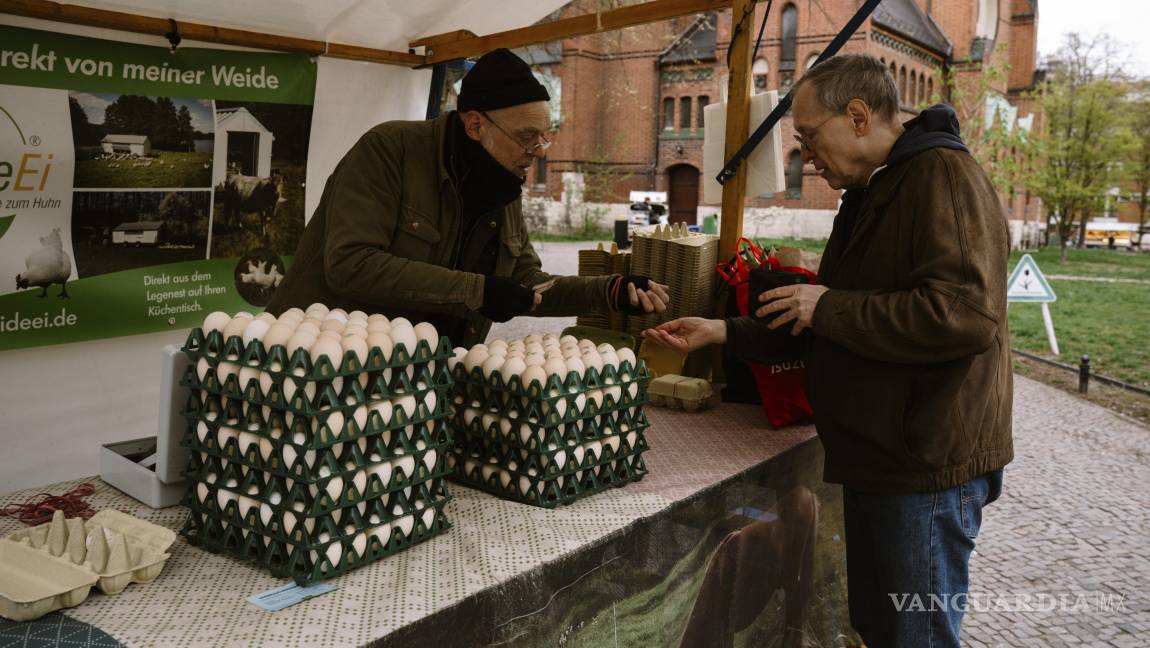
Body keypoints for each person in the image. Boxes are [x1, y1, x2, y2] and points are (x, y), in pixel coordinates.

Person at [642, 54, 1012, 648]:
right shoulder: (872, 191)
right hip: (882, 457)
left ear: (859, 115)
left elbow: (966, 316)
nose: (807, 156)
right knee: (879, 629)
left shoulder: (942, 176)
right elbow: (824, 316)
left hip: (925, 466)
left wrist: (828, 306)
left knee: (913, 635)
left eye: (812, 137)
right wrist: (723, 332)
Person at [267, 48, 669, 346]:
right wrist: (479, 291)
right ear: (476, 125)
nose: (541, 151)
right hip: (320, 358)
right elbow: (351, 264)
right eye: (528, 138)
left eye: (545, 136)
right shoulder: (389, 150)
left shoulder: (502, 181)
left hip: (420, 375)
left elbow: (526, 284)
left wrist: (607, 291)